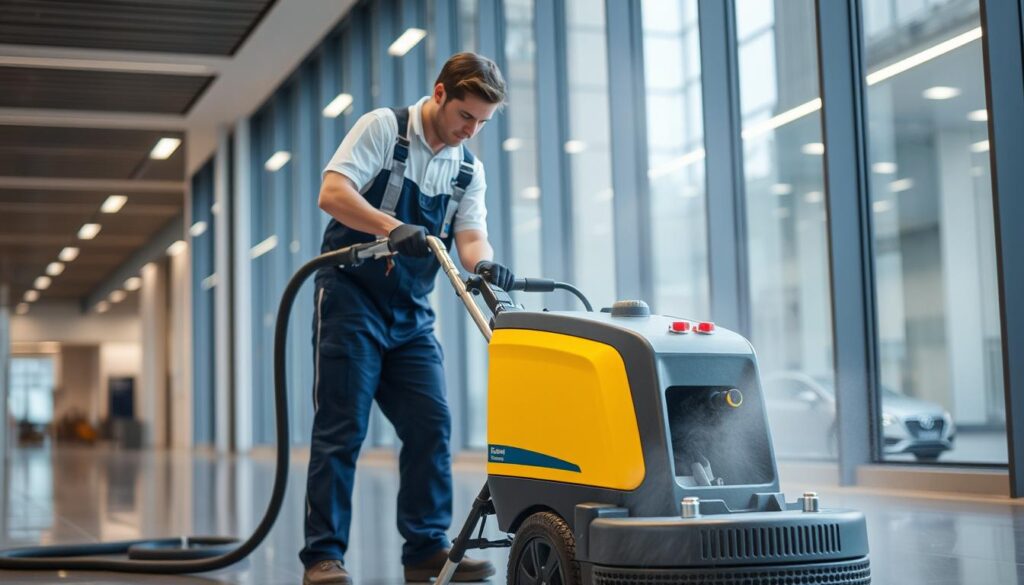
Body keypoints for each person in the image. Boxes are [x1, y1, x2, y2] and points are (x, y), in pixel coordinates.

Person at [300, 52, 515, 585]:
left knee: (431, 424)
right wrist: (389, 225)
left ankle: (425, 552)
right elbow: (333, 192)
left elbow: (469, 236)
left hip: (410, 314)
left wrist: (483, 263)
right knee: (342, 427)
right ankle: (323, 557)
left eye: (483, 123)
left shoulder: (467, 168)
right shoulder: (383, 129)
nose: (472, 131)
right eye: (467, 116)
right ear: (440, 94)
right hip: (350, 297)